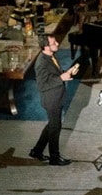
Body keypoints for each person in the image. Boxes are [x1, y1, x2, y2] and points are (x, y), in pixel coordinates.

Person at [30, 34, 77, 166]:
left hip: (57, 96)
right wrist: (61, 78)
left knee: (52, 125)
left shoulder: (50, 55)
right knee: (55, 127)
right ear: (46, 46)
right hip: (51, 99)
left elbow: (55, 73)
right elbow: (42, 85)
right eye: (53, 42)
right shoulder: (41, 63)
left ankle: (37, 151)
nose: (57, 43)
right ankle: (54, 158)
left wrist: (67, 73)